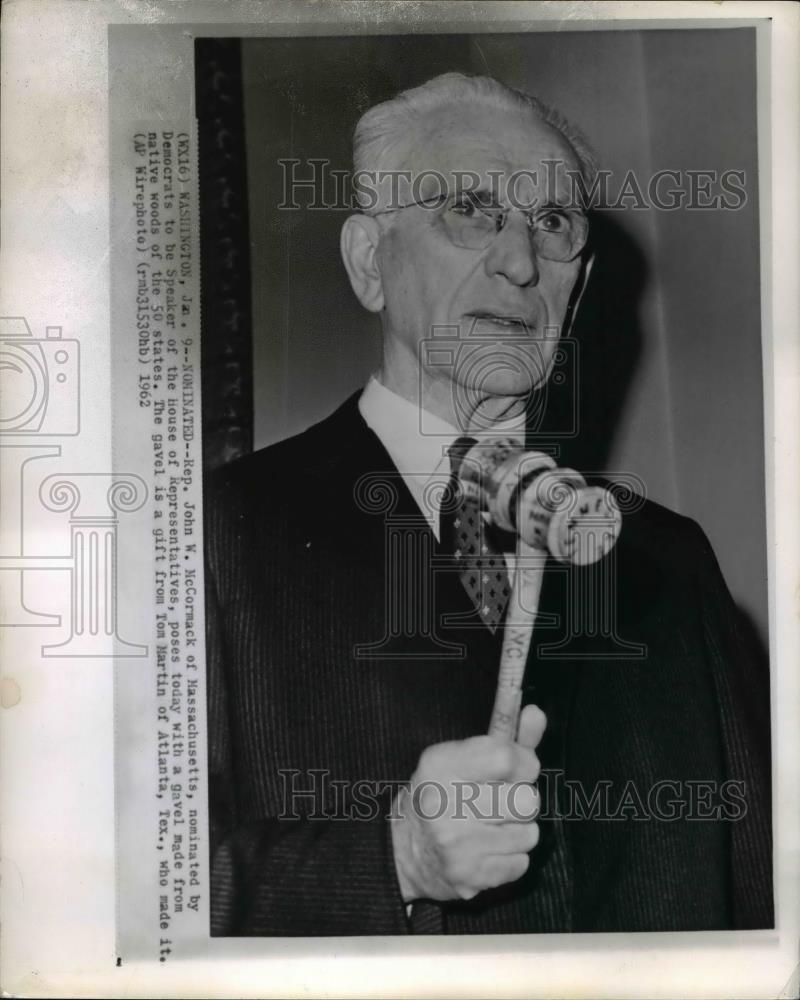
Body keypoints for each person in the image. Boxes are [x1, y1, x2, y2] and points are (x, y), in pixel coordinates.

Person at [204, 72, 772, 936]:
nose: (518, 261)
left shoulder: (670, 558)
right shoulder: (215, 535)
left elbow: (758, 890)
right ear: (369, 263)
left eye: (552, 226)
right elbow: (123, 912)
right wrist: (395, 857)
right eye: (470, 208)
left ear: (574, 292)